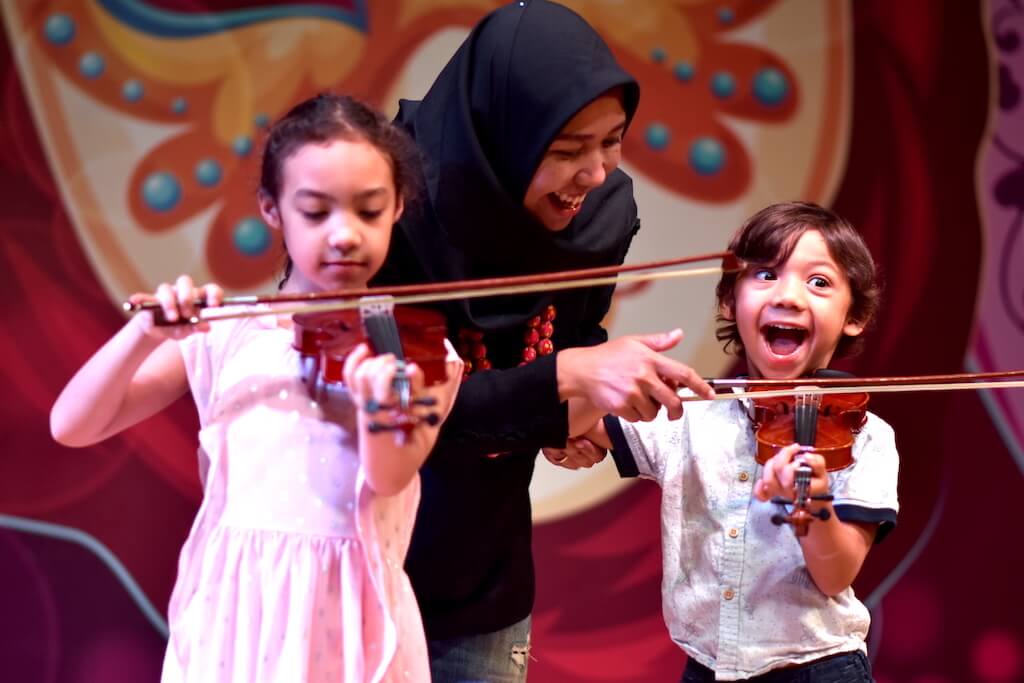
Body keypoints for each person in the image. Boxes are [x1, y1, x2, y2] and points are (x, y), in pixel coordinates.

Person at [49, 93, 463, 682]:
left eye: (368, 211)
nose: (345, 235)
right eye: (315, 212)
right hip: (234, 617)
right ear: (272, 209)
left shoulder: (416, 353)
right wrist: (144, 332)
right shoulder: (228, 331)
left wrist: (378, 409)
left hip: (351, 621)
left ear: (397, 207)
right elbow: (73, 425)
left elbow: (390, 477)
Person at [370, 0, 714, 679]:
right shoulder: (391, 204)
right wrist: (566, 381)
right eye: (566, 151)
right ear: (500, 134)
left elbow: (568, 343)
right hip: (359, 577)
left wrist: (570, 420)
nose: (596, 173)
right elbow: (406, 416)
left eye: (612, 140)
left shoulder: (600, 218)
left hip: (483, 582)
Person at [570, 201, 898, 681]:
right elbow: (573, 421)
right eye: (766, 274)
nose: (789, 295)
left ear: (855, 316)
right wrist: (600, 379)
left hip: (819, 668)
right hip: (707, 667)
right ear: (729, 301)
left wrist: (812, 504)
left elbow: (835, 575)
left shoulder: (865, 436)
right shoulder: (688, 412)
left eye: (818, 282)